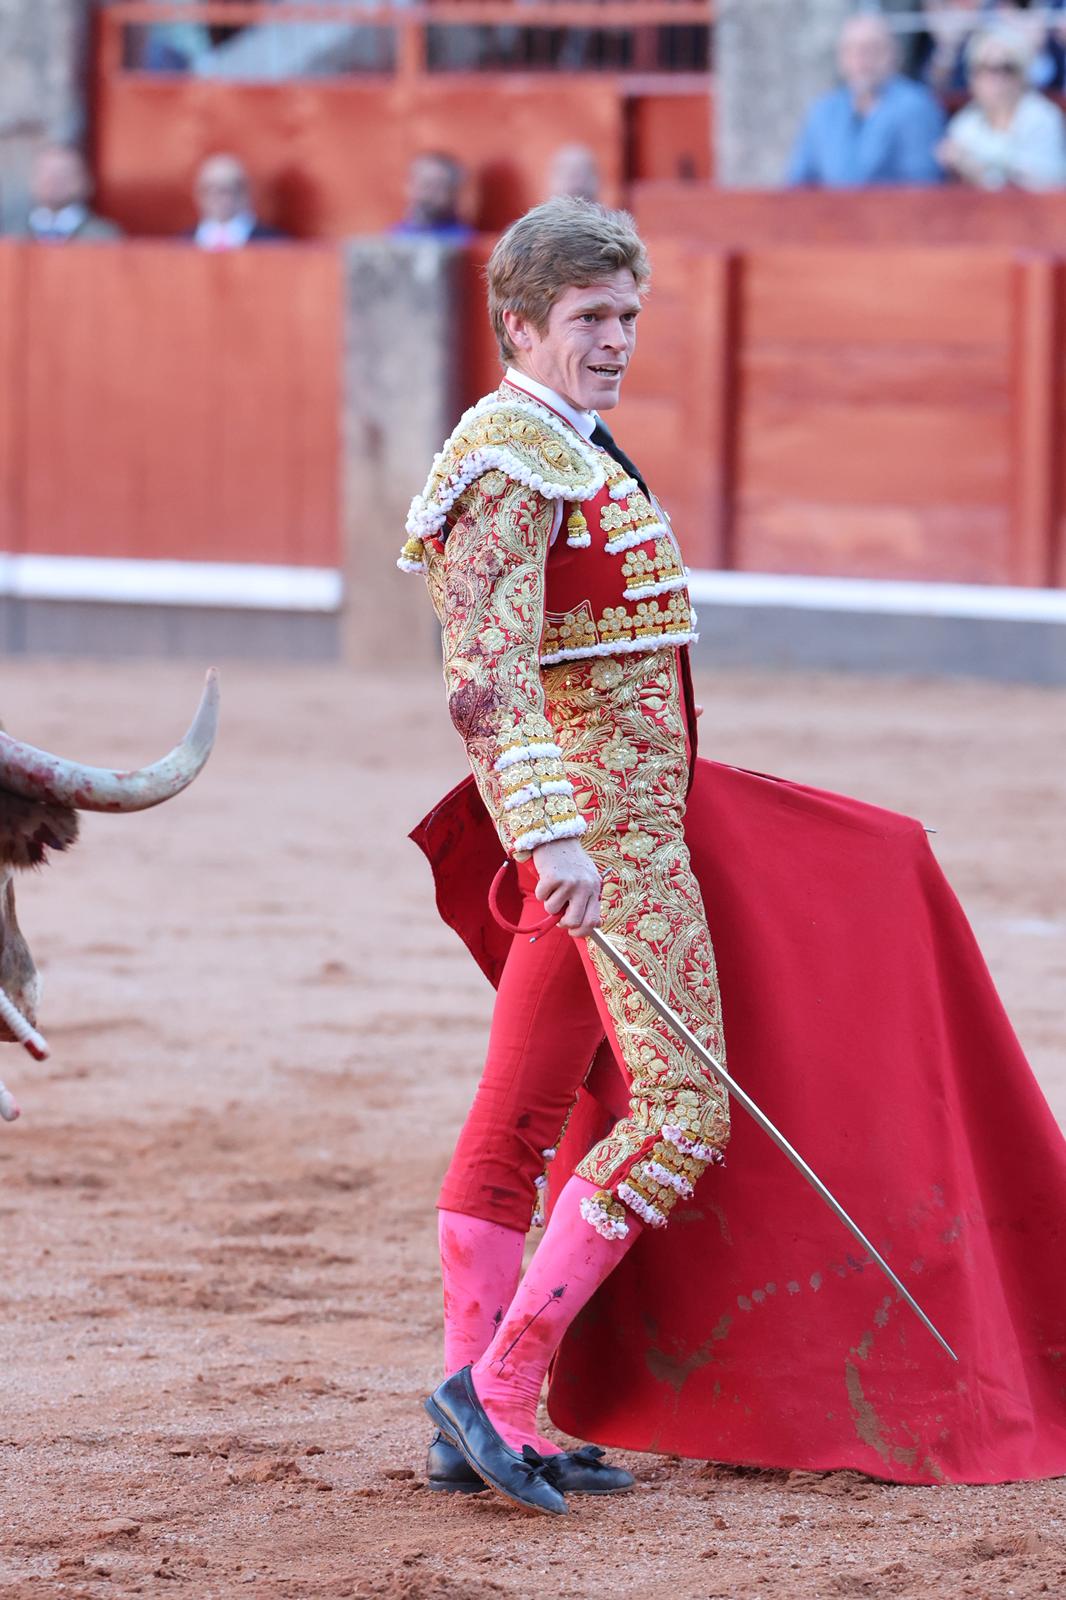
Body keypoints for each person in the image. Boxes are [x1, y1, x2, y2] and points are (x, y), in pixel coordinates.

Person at [398, 197, 1066, 1509]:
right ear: (519, 323)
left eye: (629, 317)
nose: (616, 341)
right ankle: (495, 1390)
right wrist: (551, 834)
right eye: (591, 318)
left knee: (522, 1115)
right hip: (607, 844)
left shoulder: (565, 447)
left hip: (622, 828)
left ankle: (468, 1411)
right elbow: (485, 681)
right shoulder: (506, 459)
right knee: (686, 1110)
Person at [787, 13, 944, 187]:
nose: (860, 60)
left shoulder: (916, 106)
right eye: (851, 50)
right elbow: (798, 184)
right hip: (830, 212)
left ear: (893, 54)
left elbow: (922, 185)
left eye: (871, 49)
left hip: (890, 211)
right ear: (840, 58)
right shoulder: (824, 111)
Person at [938, 26, 1066, 188]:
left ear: (1023, 74)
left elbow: (1045, 188)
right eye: (984, 68)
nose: (995, 78)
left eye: (1006, 68)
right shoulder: (965, 124)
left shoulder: (1043, 118)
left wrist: (980, 173)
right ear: (971, 77)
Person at [20, 146, 122, 244]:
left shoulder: (105, 237)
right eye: (45, 173)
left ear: (86, 181)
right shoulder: (11, 234)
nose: (53, 180)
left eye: (64, 173)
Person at [191, 154, 287, 249]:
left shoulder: (274, 244)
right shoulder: (181, 245)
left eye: (224, 190)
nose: (215, 197)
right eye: (208, 189)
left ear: (243, 194)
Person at [392, 152, 474, 243]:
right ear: (408, 186)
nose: (429, 193)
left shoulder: (464, 241)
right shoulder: (394, 235)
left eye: (439, 187)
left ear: (453, 193)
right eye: (425, 184)